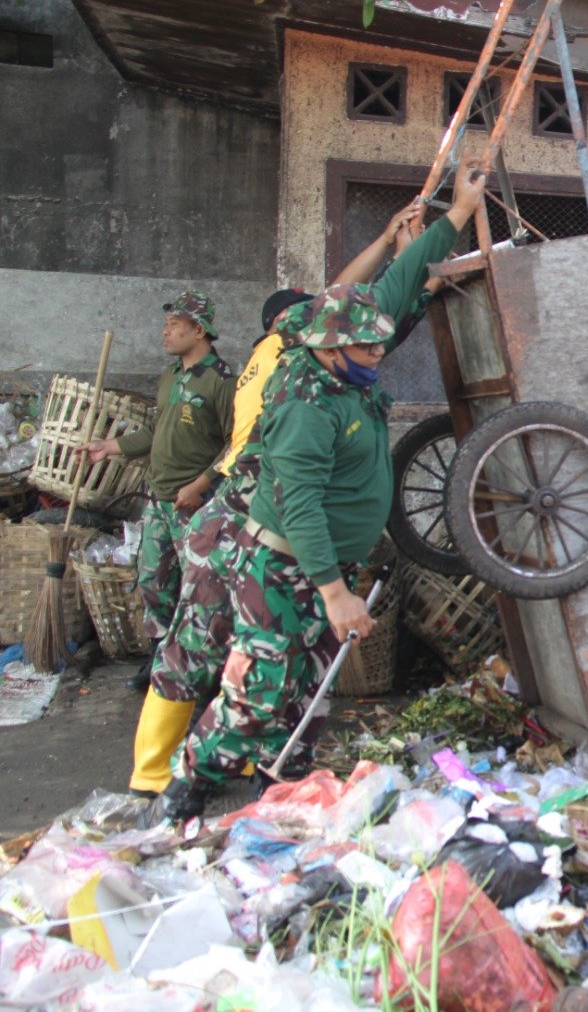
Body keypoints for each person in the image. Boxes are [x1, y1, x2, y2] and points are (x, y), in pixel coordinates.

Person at [152, 163, 487, 822]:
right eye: (363, 348)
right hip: (283, 565)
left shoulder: (347, 348)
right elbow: (299, 501)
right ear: (329, 350)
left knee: (307, 692)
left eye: (376, 343)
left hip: (321, 566)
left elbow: (392, 288)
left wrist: (458, 214)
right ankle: (184, 789)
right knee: (263, 688)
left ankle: (282, 791)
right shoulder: (306, 399)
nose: (376, 353)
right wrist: (335, 592)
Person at [81, 293, 234, 689]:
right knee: (153, 583)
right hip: (159, 498)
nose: (165, 333)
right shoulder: (170, 376)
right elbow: (156, 430)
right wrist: (110, 447)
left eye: (174, 326)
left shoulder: (220, 380)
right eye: (166, 325)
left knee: (199, 590)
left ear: (199, 331)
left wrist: (201, 485)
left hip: (198, 504)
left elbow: (238, 443)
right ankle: (160, 661)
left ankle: (202, 671)